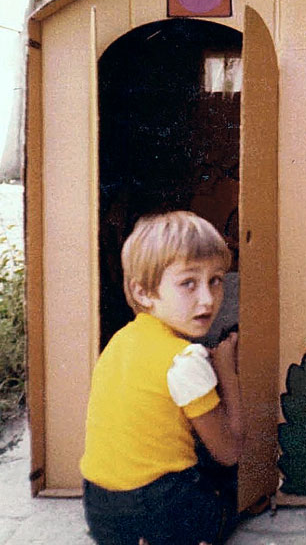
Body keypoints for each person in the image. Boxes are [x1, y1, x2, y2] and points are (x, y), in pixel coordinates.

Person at [80, 211, 243, 545]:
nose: (208, 299)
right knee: (231, 490)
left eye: (216, 280)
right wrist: (227, 370)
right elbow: (230, 450)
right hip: (159, 510)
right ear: (143, 293)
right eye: (188, 283)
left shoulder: (120, 341)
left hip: (101, 514)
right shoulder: (184, 360)